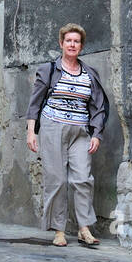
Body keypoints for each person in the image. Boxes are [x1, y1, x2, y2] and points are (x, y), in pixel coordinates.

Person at [26, 23, 108, 248]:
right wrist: (31, 132)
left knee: (83, 179)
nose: (72, 44)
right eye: (68, 41)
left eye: (77, 41)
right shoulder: (48, 70)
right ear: (61, 44)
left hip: (80, 131)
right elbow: (34, 104)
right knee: (57, 180)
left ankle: (84, 229)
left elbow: (98, 107)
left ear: (81, 46)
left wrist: (96, 134)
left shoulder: (90, 74)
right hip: (53, 128)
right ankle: (59, 230)